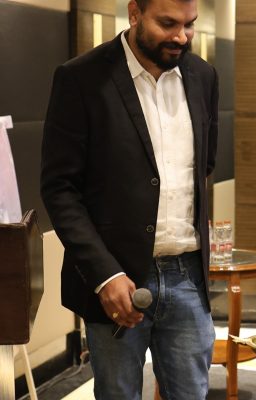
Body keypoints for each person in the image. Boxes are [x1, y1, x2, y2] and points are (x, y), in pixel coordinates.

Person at [40, 0, 218, 398]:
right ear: (134, 13)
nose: (181, 37)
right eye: (167, 23)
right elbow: (60, 188)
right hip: (115, 283)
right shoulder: (81, 79)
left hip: (188, 277)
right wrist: (105, 274)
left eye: (189, 24)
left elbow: (204, 166)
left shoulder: (203, 75)